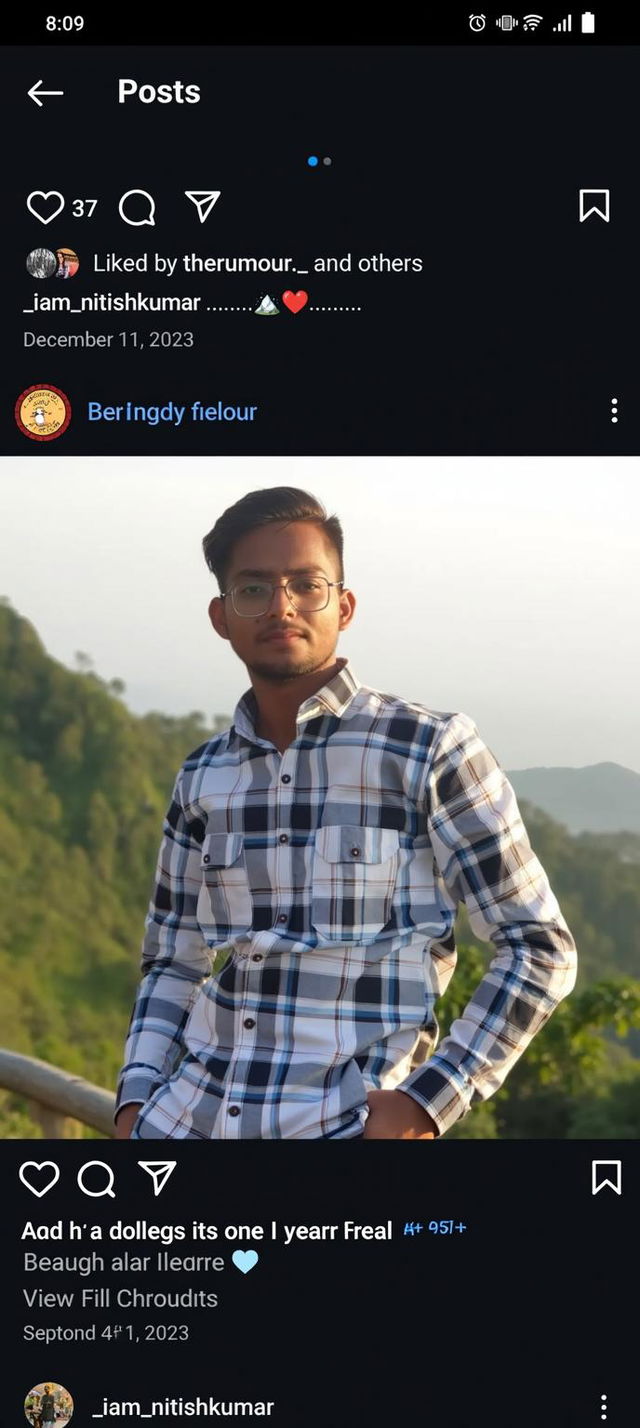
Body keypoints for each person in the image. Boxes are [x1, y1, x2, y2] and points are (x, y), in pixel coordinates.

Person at [115, 487, 577, 1140]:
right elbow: (173, 962)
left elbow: (540, 947)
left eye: (306, 585)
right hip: (186, 1124)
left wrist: (429, 1101)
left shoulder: (429, 751)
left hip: (341, 1129)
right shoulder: (203, 776)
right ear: (221, 616)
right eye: (254, 589)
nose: (282, 607)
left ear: (344, 605)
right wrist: (136, 1104)